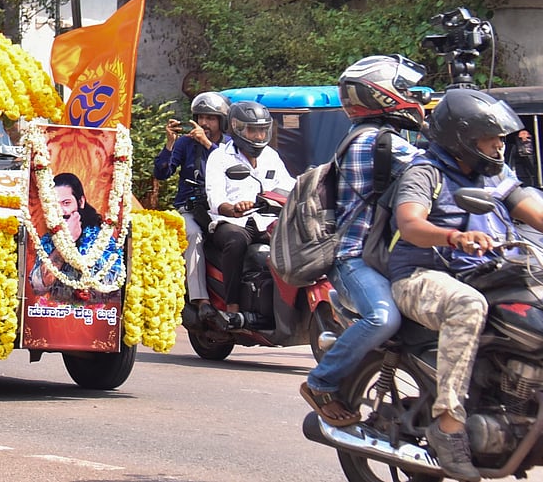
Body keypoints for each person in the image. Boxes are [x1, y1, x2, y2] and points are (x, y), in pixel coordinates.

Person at [387, 88, 543, 482]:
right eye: (491, 137)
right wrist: (453, 237)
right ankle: (448, 424)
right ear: (464, 138)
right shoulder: (423, 171)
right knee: (467, 305)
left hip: (484, 272)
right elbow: (411, 224)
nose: (500, 144)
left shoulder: (495, 173)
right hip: (422, 276)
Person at [301, 55, 427, 427]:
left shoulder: (386, 138)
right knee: (382, 317)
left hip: (387, 258)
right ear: (382, 95)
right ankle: (321, 382)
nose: (414, 96)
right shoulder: (371, 141)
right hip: (354, 259)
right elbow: (436, 173)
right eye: (404, 89)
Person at [204, 100, 295, 329]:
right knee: (235, 242)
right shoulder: (220, 157)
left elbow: (288, 186)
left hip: (267, 220)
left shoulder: (271, 156)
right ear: (237, 128)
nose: (257, 136)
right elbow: (215, 198)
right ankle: (232, 307)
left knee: (293, 241)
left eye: (262, 130)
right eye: (253, 130)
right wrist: (233, 208)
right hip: (233, 222)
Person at [153, 90, 231, 324]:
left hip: (220, 209)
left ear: (222, 121)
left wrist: (207, 144)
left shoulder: (228, 146)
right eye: (201, 118)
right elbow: (162, 172)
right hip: (190, 209)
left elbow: (229, 169)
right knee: (194, 236)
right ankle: (201, 300)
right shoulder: (186, 143)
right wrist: (170, 143)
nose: (204, 123)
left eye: (211, 118)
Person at [29, 172, 124, 305]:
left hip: (95, 319)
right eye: (56, 206)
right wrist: (66, 244)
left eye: (66, 203)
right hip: (53, 316)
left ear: (81, 202)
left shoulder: (102, 238)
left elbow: (112, 285)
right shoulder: (48, 239)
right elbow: (38, 285)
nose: (61, 212)